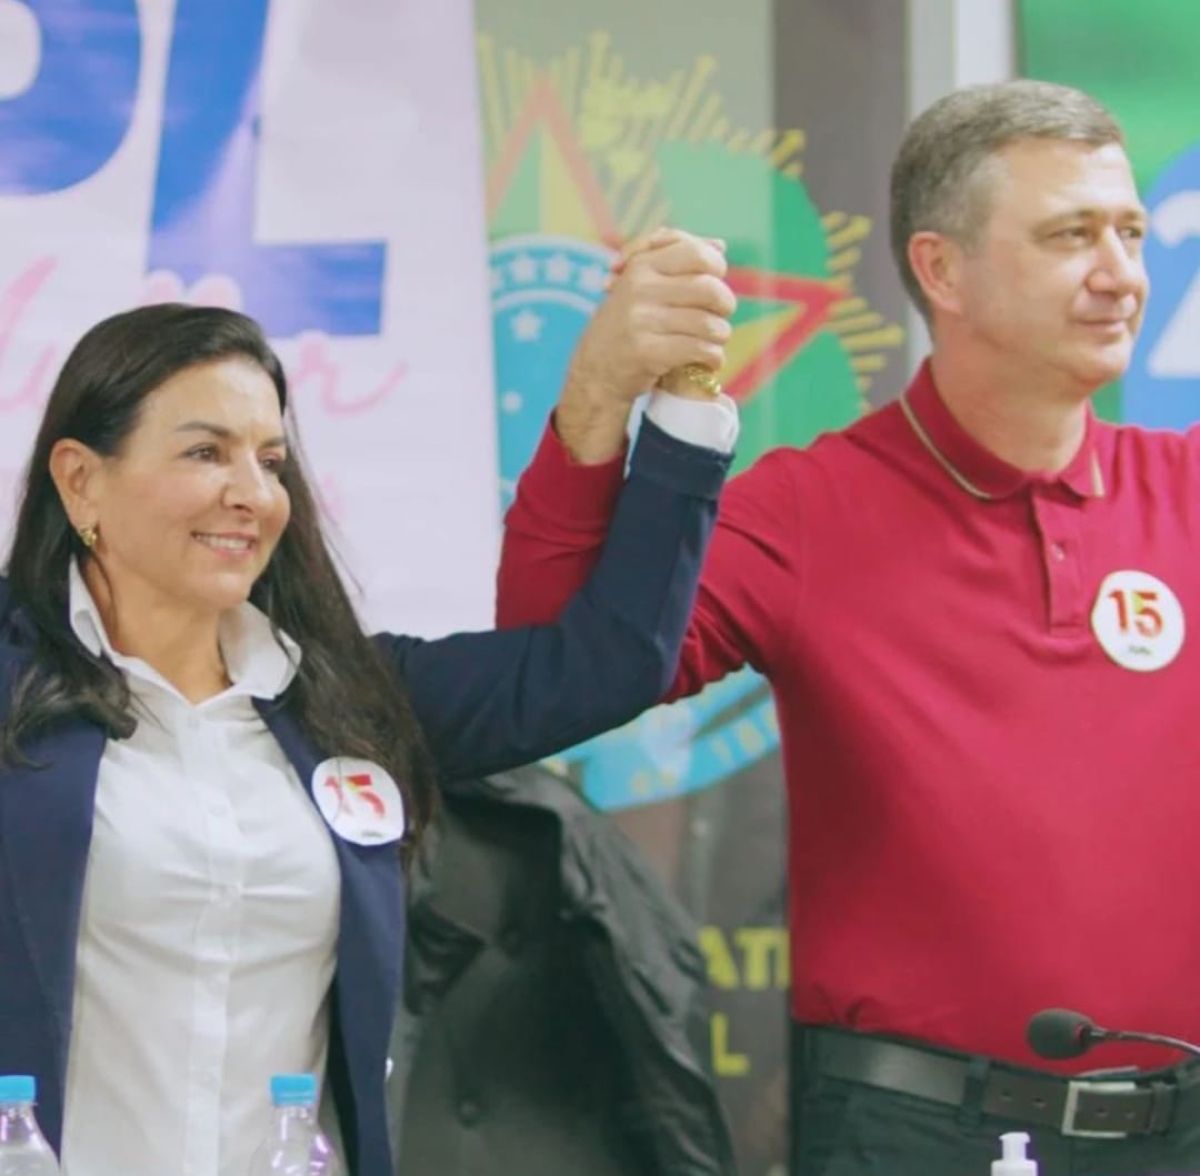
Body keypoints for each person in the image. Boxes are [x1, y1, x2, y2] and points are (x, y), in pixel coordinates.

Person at [494, 78, 1200, 1176]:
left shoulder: (1186, 488)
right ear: (940, 270)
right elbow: (550, 669)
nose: (1121, 274)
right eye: (1071, 236)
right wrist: (596, 395)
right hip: (915, 1135)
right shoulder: (809, 509)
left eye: (1130, 232)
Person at [0, 258, 735, 1176]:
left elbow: (606, 665)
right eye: (205, 452)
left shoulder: (351, 698)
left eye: (270, 461)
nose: (252, 493)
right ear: (81, 481)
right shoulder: (15, 685)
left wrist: (673, 404)